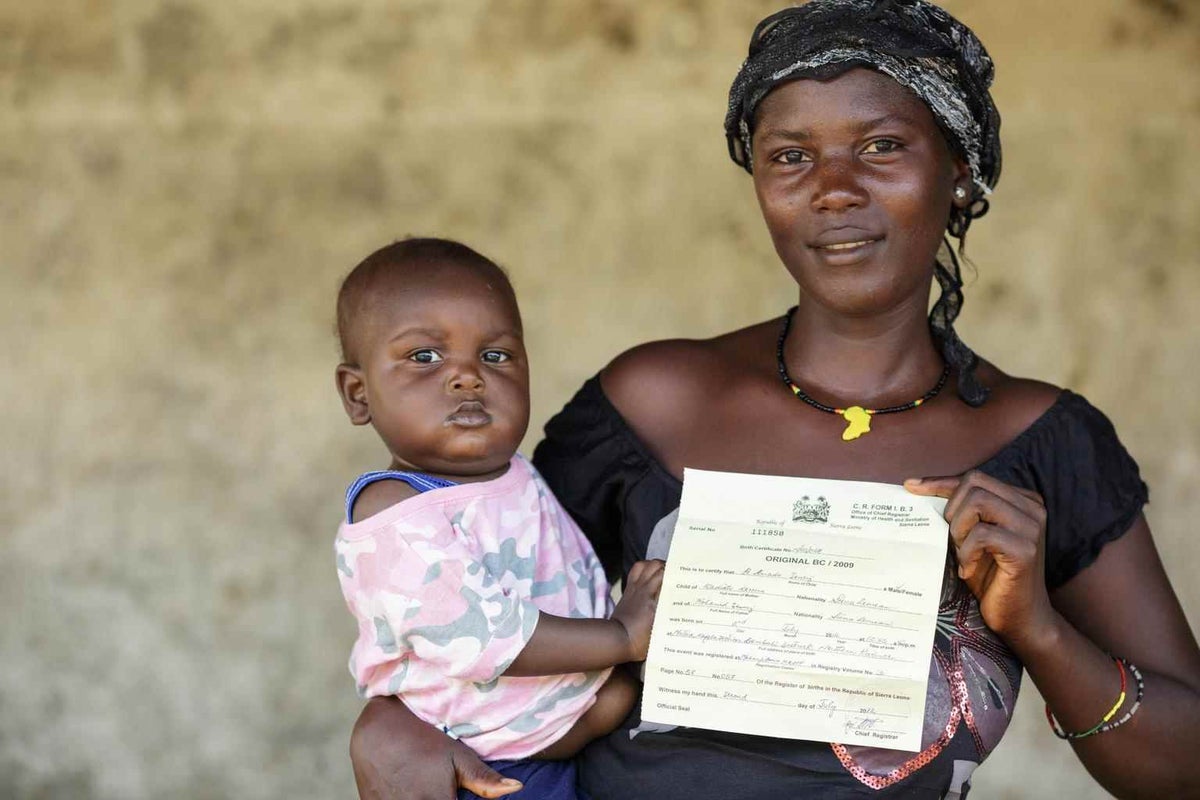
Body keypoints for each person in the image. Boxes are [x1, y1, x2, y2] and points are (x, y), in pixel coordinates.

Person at [347, 3, 1200, 798]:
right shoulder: (655, 401)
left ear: (961, 173)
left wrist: (1040, 629)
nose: (832, 187)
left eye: (880, 147)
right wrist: (386, 723)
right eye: (791, 155)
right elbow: (438, 582)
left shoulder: (1042, 442)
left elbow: (1181, 766)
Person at [332, 238, 665, 799]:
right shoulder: (394, 516)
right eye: (424, 357)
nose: (468, 377)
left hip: (556, 745)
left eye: (495, 356)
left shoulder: (510, 472)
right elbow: (485, 640)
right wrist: (622, 635)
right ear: (358, 394)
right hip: (488, 771)